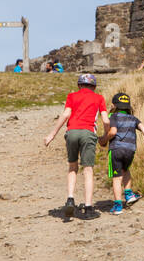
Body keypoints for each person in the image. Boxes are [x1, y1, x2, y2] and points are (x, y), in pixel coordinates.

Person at [43, 73, 109, 220]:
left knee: (72, 167)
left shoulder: (72, 96)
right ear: (94, 86)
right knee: (88, 169)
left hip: (71, 132)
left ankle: (70, 198)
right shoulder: (99, 98)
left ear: (79, 85)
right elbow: (105, 119)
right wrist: (105, 136)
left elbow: (66, 115)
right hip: (88, 133)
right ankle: (88, 207)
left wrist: (51, 135)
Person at [105, 92, 144, 214]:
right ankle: (129, 194)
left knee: (116, 177)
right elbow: (143, 127)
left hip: (116, 149)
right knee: (126, 170)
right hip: (130, 150)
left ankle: (118, 206)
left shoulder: (113, 117)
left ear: (114, 105)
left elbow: (113, 131)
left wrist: (104, 138)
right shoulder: (133, 118)